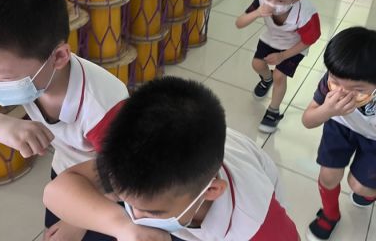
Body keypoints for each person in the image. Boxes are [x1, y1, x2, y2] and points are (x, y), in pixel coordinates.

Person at [0, 0, 164, 241]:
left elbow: (121, 176)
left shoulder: (103, 107)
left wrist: (75, 221)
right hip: (66, 171)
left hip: (106, 188)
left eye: (3, 78)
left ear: (59, 57)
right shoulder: (8, 71)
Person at [43, 77, 300, 241]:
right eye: (126, 200)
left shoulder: (255, 226)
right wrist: (122, 227)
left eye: (153, 212)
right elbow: (56, 192)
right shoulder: (137, 155)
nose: (136, 216)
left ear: (212, 191)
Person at [302, 26, 376, 241]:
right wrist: (328, 111)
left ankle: (368, 191)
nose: (342, 93)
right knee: (328, 176)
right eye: (336, 82)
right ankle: (330, 214)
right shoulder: (331, 81)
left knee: (360, 186)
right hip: (340, 127)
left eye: (358, 89)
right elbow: (308, 120)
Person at [235, 0, 320, 133]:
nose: (273, 4)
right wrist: (257, 12)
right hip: (272, 38)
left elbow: (309, 40)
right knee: (257, 64)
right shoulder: (261, 0)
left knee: (280, 76)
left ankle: (273, 111)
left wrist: (283, 56)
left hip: (295, 46)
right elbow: (239, 23)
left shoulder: (306, 13)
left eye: (281, 1)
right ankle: (267, 79)